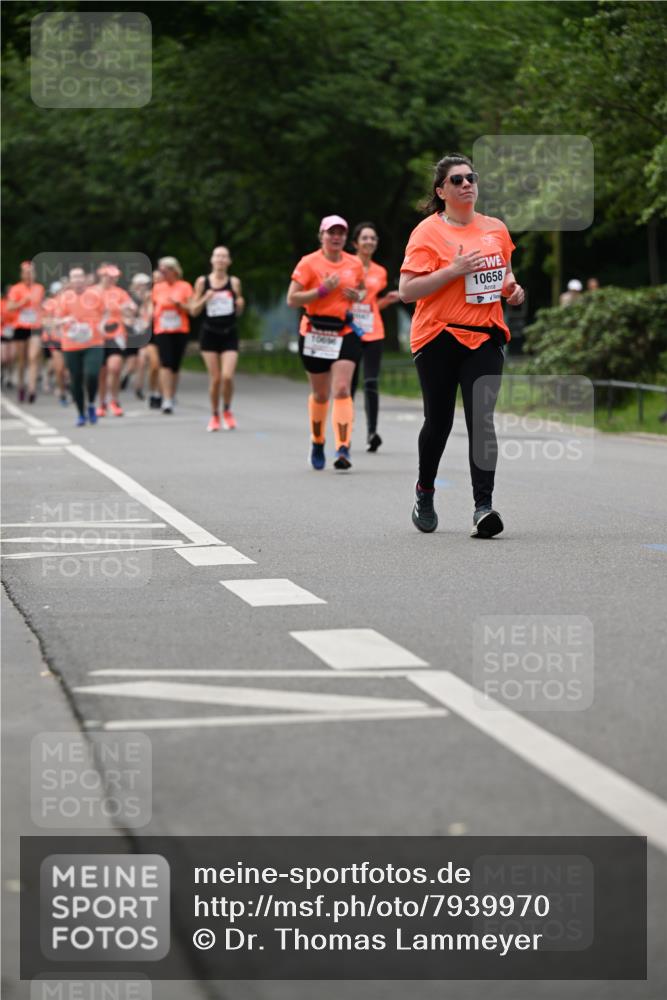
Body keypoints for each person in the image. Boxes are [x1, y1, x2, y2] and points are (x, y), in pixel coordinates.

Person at [399, 153, 524, 537]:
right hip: (438, 335)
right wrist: (452, 270)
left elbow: (503, 273)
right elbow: (406, 290)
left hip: (484, 335)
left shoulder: (495, 229)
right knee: (439, 421)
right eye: (456, 180)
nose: (466, 183)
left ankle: (483, 507)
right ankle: (424, 490)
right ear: (442, 191)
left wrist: (512, 290)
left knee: (481, 421)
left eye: (470, 177)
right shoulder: (427, 232)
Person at [286, 215, 365, 470]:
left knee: (341, 389)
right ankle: (318, 440)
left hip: (343, 331)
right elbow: (292, 299)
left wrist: (357, 295)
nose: (336, 237)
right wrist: (321, 290)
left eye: (341, 233)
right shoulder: (308, 263)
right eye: (331, 232)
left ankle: (343, 448)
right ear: (322, 235)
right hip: (315, 332)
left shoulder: (354, 263)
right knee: (321, 394)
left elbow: (360, 289)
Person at [349, 222, 400, 452]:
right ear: (355, 243)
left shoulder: (380, 272)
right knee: (348, 385)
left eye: (373, 238)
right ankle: (345, 434)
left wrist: (386, 301)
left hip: (373, 330)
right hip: (348, 331)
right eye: (365, 238)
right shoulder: (346, 267)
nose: (369, 242)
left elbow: (371, 306)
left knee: (371, 382)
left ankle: (372, 432)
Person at [190, 246, 245, 431]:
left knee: (227, 377)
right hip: (209, 334)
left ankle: (227, 411)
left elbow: (238, 309)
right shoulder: (202, 282)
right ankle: (214, 415)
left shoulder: (234, 282)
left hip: (229, 333)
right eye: (217, 256)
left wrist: (240, 304)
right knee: (215, 379)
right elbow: (193, 310)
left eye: (224, 257)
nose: (221, 260)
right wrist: (206, 297)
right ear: (212, 260)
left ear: (229, 261)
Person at [54, 266, 106, 426]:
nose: (77, 280)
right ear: (70, 281)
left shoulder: (95, 295)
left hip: (94, 342)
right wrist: (64, 320)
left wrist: (102, 325)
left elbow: (107, 313)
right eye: (74, 277)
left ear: (85, 279)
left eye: (79, 277)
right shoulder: (63, 298)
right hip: (71, 343)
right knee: (75, 378)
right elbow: (55, 320)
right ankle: (80, 413)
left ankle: (91, 403)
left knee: (91, 374)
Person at [151, 257, 193, 413]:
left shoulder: (185, 286)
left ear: (173, 271)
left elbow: (192, 309)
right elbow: (152, 307)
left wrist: (179, 304)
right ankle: (166, 399)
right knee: (165, 363)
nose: (162, 273)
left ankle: (172, 394)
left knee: (175, 366)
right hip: (162, 330)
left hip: (180, 329)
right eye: (160, 270)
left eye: (165, 270)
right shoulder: (157, 288)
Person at [95, 264, 136, 417]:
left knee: (115, 367)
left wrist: (128, 309)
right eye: (109, 276)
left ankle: (114, 400)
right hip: (97, 336)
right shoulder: (92, 292)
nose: (112, 279)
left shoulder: (119, 292)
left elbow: (131, 307)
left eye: (115, 277)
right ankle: (101, 403)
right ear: (102, 276)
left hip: (116, 335)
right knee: (102, 372)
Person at [5, 261, 45, 403]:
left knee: (33, 357)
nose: (29, 275)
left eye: (31, 272)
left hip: (35, 327)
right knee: (21, 360)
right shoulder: (16, 289)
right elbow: (9, 307)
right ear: (22, 274)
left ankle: (32, 388)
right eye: (26, 272)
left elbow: (42, 307)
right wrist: (22, 302)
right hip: (20, 327)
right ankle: (21, 385)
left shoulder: (40, 288)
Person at [122, 273, 153, 400]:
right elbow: (125, 314)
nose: (141, 287)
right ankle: (125, 376)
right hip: (131, 334)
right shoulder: (128, 297)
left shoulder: (149, 297)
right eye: (139, 284)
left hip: (144, 334)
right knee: (131, 364)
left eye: (144, 284)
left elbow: (151, 314)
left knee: (143, 361)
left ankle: (138, 388)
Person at [41, 280, 68, 405]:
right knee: (59, 368)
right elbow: (44, 321)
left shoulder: (73, 302)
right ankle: (61, 390)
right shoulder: (50, 303)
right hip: (54, 339)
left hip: (71, 340)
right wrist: (55, 325)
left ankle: (71, 389)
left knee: (70, 368)